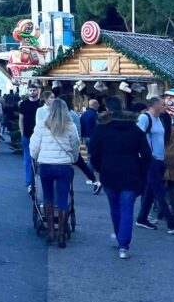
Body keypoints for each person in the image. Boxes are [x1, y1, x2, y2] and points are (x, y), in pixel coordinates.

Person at [90, 96, 151, 260]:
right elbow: (146, 154)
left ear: (107, 109)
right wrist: (142, 170)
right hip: (131, 172)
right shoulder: (135, 129)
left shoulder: (101, 129)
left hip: (109, 172)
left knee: (115, 207)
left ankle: (119, 237)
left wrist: (99, 167)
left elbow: (94, 153)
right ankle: (123, 245)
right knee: (127, 209)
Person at [30, 98, 79, 248]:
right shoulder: (70, 126)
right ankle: (62, 234)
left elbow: (34, 146)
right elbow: (75, 145)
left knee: (48, 197)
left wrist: (36, 158)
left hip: (46, 165)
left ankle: (51, 231)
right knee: (63, 199)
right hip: (63, 165)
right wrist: (74, 158)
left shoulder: (42, 124)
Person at [135, 97, 174, 234]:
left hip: (159, 159)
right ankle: (171, 223)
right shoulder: (145, 118)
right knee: (159, 190)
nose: (165, 107)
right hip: (150, 159)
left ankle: (142, 218)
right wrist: (146, 155)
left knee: (151, 191)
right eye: (163, 104)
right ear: (155, 105)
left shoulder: (160, 120)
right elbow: (137, 136)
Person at [18, 83, 42, 193]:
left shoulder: (41, 104)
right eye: (30, 90)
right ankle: (29, 183)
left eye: (34, 90)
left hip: (40, 136)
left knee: (40, 159)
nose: (32, 92)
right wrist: (22, 133)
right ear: (28, 92)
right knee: (28, 159)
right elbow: (21, 119)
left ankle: (39, 181)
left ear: (38, 91)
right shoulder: (23, 104)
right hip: (27, 135)